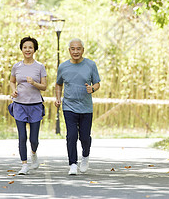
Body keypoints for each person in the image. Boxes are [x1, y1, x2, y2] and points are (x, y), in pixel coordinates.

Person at [55, 38, 101, 175]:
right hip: (68, 106)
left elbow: (97, 83)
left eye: (78, 49)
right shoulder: (63, 67)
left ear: (83, 50)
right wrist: (58, 98)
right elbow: (58, 84)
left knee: (85, 137)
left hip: (86, 108)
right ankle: (73, 164)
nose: (76, 51)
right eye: (73, 49)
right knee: (71, 135)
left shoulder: (90, 65)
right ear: (69, 50)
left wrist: (92, 89)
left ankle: (85, 156)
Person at [9, 36, 47, 175]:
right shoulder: (17, 66)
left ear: (34, 49)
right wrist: (13, 90)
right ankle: (24, 165)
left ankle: (34, 153)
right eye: (25, 47)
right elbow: (12, 81)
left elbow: (44, 87)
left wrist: (34, 83)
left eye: (30, 47)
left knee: (34, 139)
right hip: (19, 105)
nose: (27, 50)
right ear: (21, 49)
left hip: (35, 105)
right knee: (22, 136)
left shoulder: (40, 66)